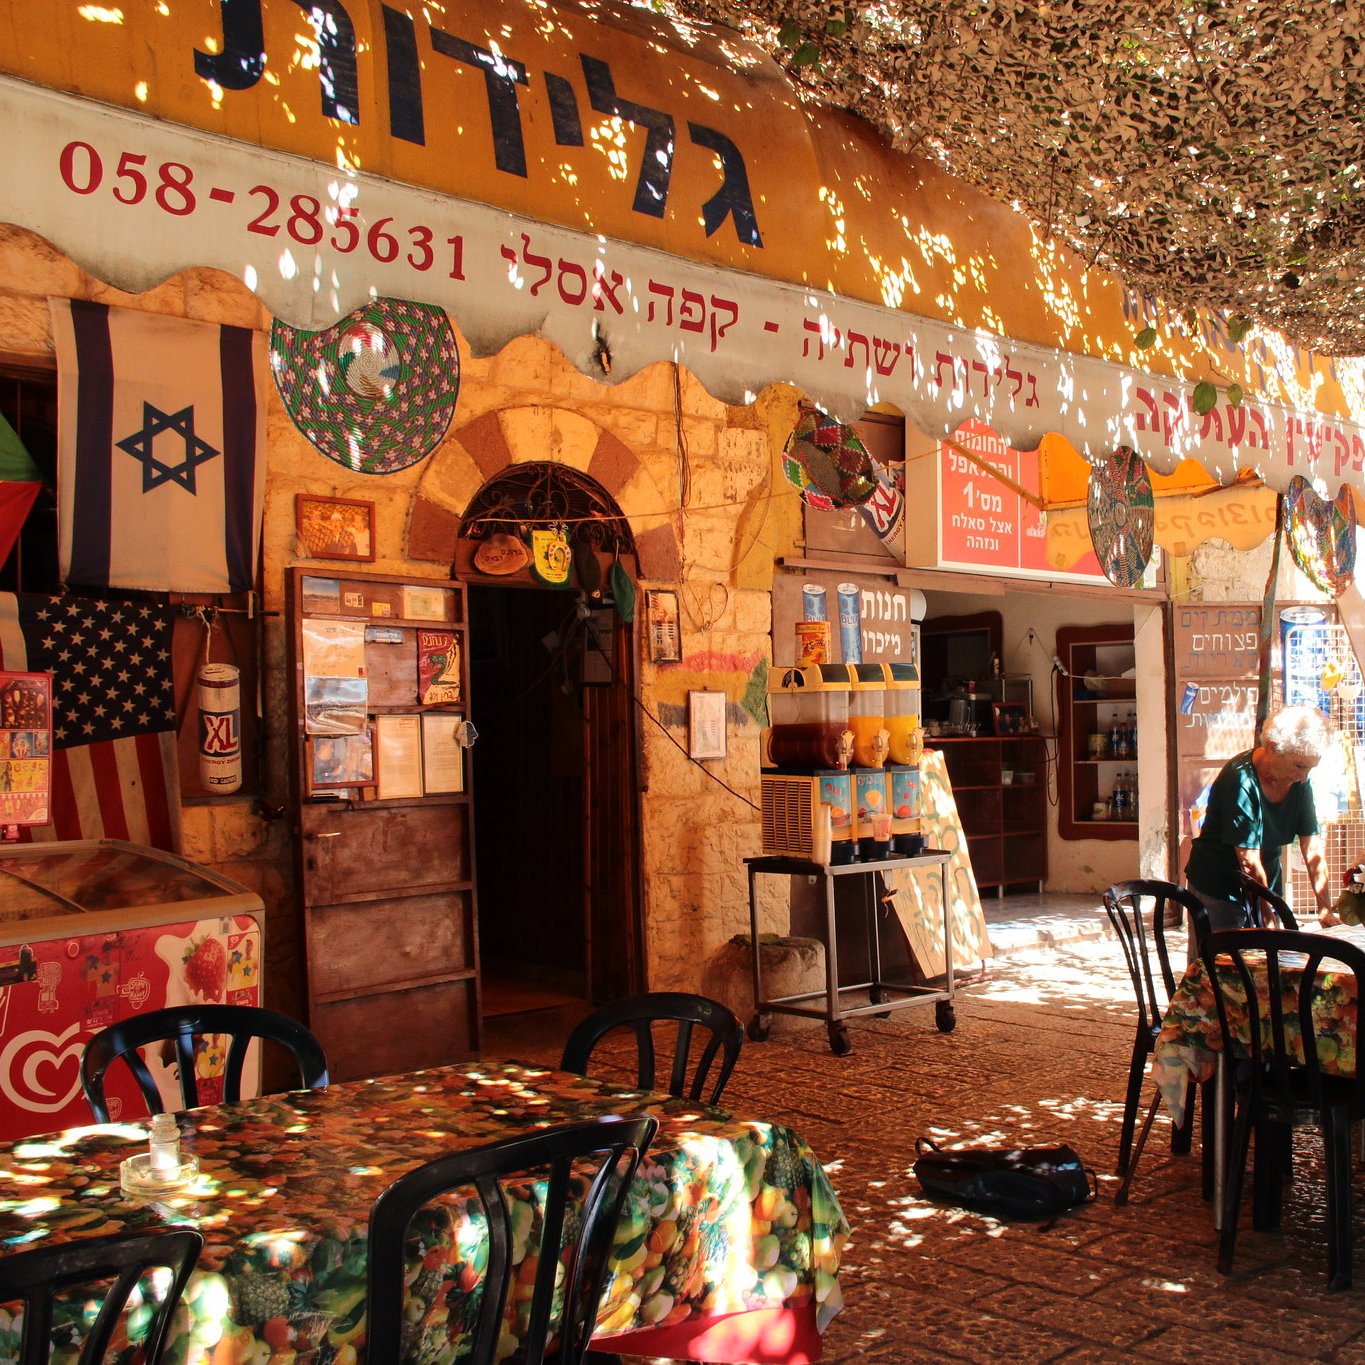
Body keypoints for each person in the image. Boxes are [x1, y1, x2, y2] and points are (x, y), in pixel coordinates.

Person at [1185, 703, 1338, 932]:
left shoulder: (1298, 780)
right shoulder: (1240, 781)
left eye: (1309, 769)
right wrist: (1267, 921)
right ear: (1273, 747)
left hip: (1267, 885)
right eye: (1300, 766)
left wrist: (1324, 907)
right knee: (1221, 962)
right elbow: (1248, 860)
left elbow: (1311, 843)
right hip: (1220, 888)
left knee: (1275, 961)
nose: (1304, 777)